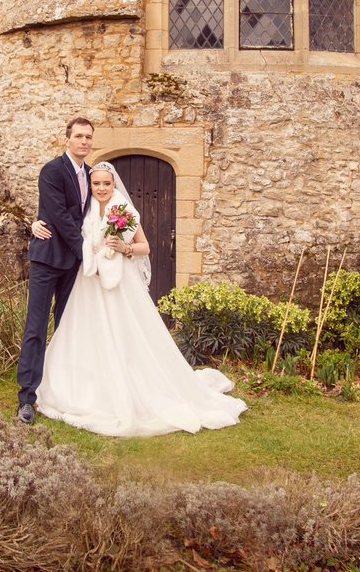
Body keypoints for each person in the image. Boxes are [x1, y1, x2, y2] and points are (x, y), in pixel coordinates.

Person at [30, 161, 247, 437]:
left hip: (119, 284)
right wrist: (35, 222)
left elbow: (145, 246)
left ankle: (131, 388)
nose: (101, 188)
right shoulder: (85, 207)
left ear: (114, 184)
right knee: (84, 333)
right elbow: (62, 219)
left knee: (124, 336)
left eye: (106, 184)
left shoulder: (123, 209)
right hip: (88, 282)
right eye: (96, 184)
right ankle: (81, 388)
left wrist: (125, 247)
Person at [16, 117, 95, 425]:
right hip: (48, 260)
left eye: (89, 136)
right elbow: (60, 217)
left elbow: (93, 216)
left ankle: (63, 391)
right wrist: (86, 251)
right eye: (79, 136)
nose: (84, 141)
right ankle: (26, 398)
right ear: (67, 140)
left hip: (73, 265)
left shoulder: (93, 175)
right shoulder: (51, 171)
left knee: (66, 328)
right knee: (35, 329)